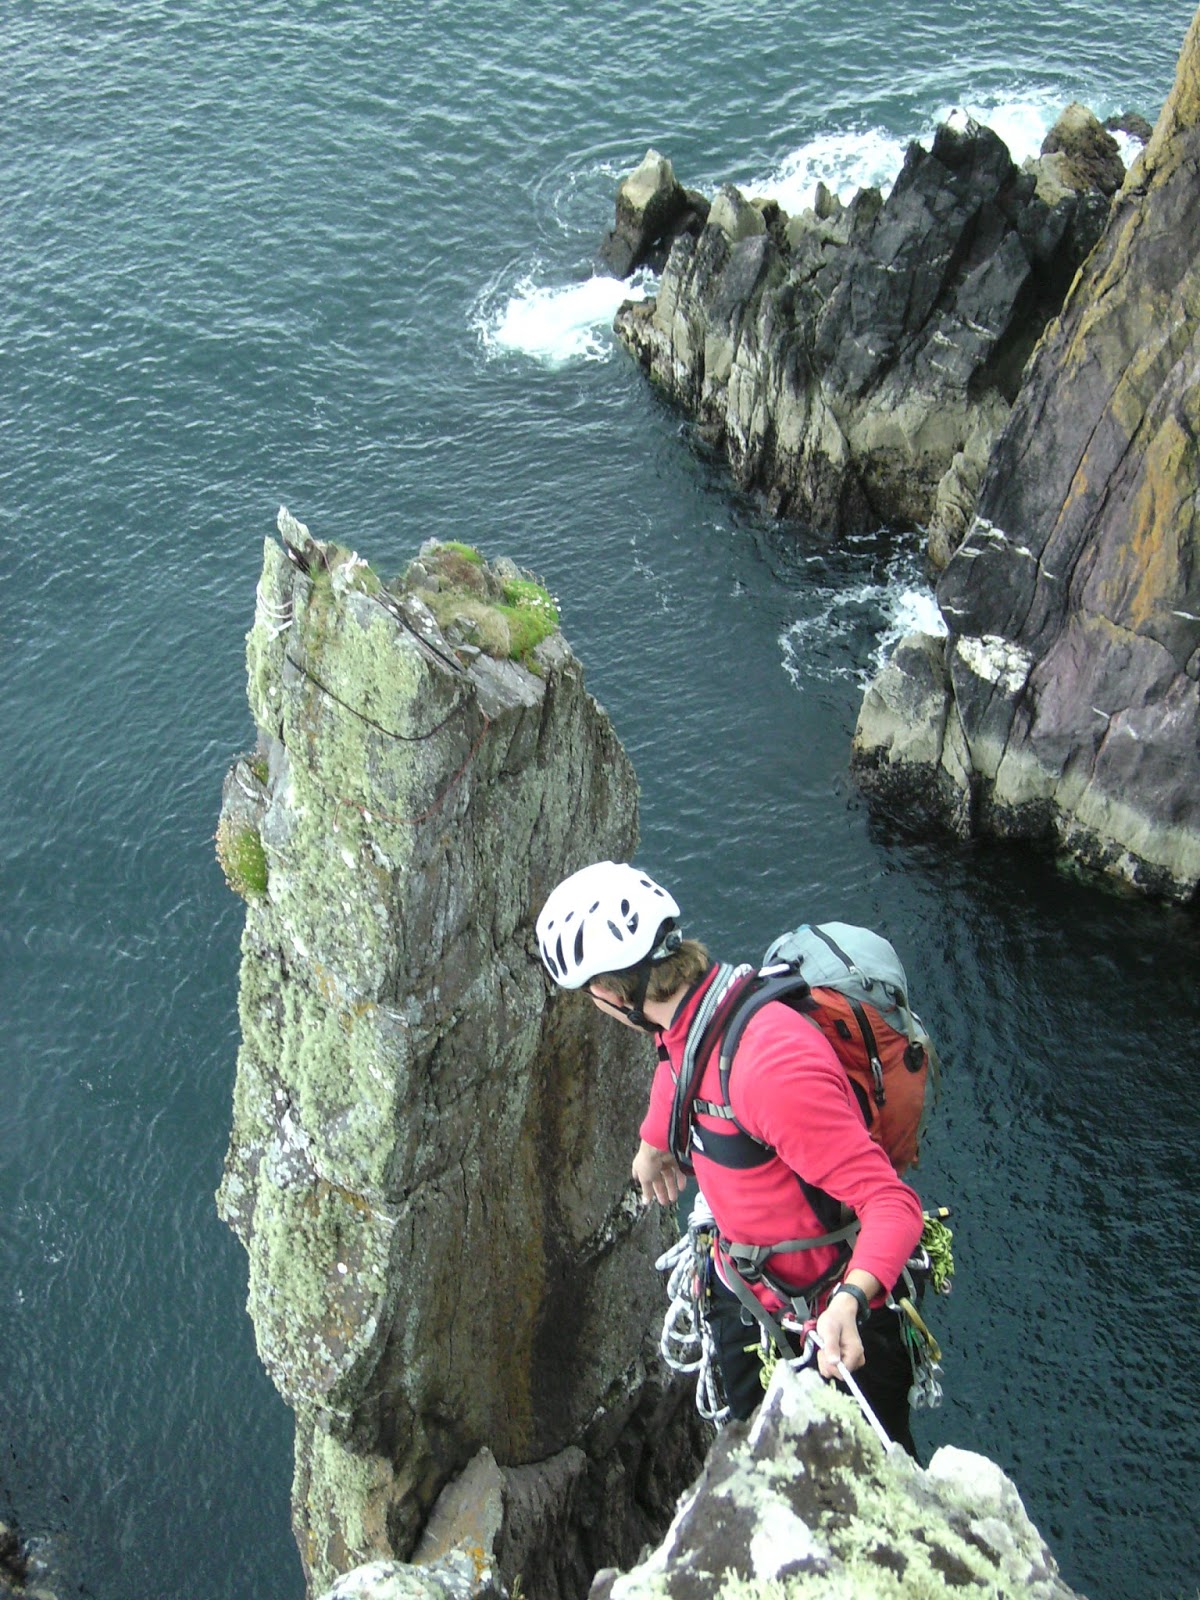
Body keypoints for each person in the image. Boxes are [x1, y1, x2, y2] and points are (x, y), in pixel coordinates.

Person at [536, 859, 926, 1453]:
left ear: (616, 994)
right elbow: (676, 1062)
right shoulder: (700, 1017)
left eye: (593, 997)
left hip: (835, 1326)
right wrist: (652, 1145)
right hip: (751, 1297)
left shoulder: (767, 1069)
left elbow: (892, 1205)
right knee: (754, 1469)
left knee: (876, 1492)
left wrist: (850, 1302)